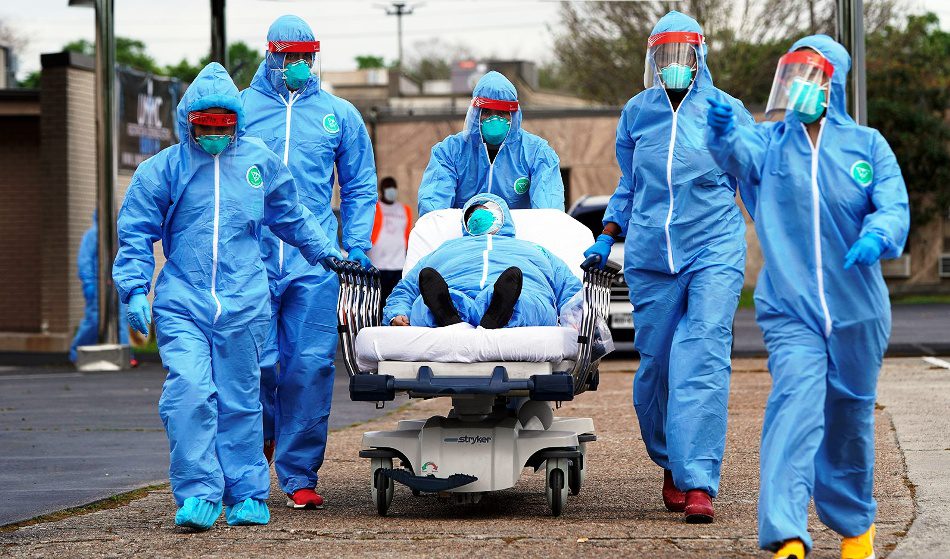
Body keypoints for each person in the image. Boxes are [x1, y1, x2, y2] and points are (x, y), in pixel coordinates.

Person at [705, 35, 909, 559]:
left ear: (831, 84)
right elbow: (739, 154)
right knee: (794, 406)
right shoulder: (771, 142)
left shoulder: (867, 146)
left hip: (858, 311)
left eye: (810, 76)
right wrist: (723, 135)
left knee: (849, 423)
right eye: (793, 75)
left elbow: (893, 205)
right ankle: (787, 534)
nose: (799, 86)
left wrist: (878, 235)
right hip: (791, 308)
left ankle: (855, 526)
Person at [113, 62, 340, 531]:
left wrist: (324, 251)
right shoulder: (164, 169)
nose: (216, 134)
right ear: (189, 122)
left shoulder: (259, 162)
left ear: (238, 122)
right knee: (190, 393)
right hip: (184, 302)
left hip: (245, 301)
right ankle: (198, 493)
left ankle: (247, 494)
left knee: (241, 400)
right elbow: (136, 231)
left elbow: (291, 215)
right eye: (206, 125)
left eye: (224, 125)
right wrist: (135, 288)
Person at [583, 11, 755, 523]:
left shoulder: (727, 112)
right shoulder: (637, 113)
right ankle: (670, 460)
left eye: (684, 55)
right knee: (656, 365)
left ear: (700, 58)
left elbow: (755, 180)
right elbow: (629, 184)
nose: (674, 64)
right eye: (665, 56)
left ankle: (697, 479)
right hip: (651, 255)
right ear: (653, 59)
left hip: (714, 248)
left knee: (702, 355)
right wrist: (607, 233)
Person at [240, 15, 378, 510]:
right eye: (290, 56)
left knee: (310, 367)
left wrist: (356, 243)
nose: (299, 64)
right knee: (251, 363)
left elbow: (359, 184)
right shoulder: (240, 108)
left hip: (315, 262)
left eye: (306, 56)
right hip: (250, 258)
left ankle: (299, 474)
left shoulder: (339, 114)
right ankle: (259, 441)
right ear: (271, 55)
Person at [385, 194, 580, 329]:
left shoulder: (535, 250)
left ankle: (469, 312)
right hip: (455, 287)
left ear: (503, 217)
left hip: (520, 291)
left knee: (527, 301)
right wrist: (397, 313)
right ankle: (449, 309)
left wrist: (576, 318)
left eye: (485, 210)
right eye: (473, 213)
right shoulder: (444, 249)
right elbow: (407, 287)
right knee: (428, 301)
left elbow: (567, 285)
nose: (479, 215)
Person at [416, 71, 565, 216]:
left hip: (519, 234)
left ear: (513, 115)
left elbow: (549, 212)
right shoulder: (449, 152)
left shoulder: (537, 153)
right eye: (486, 112)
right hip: (463, 233)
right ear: (475, 114)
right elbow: (433, 210)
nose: (494, 119)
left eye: (502, 113)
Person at [69, 210, 131, 364]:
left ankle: (125, 356)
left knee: (120, 319)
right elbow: (85, 261)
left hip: (116, 283)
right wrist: (89, 282)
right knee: (94, 319)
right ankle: (76, 352)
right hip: (98, 285)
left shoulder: (117, 234)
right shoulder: (93, 235)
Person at [369, 176, 412, 302]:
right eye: (388, 188)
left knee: (395, 299)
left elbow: (406, 234)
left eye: (393, 188)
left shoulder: (405, 209)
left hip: (399, 264)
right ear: (382, 190)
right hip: (377, 263)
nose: (391, 191)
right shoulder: (374, 208)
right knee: (378, 300)